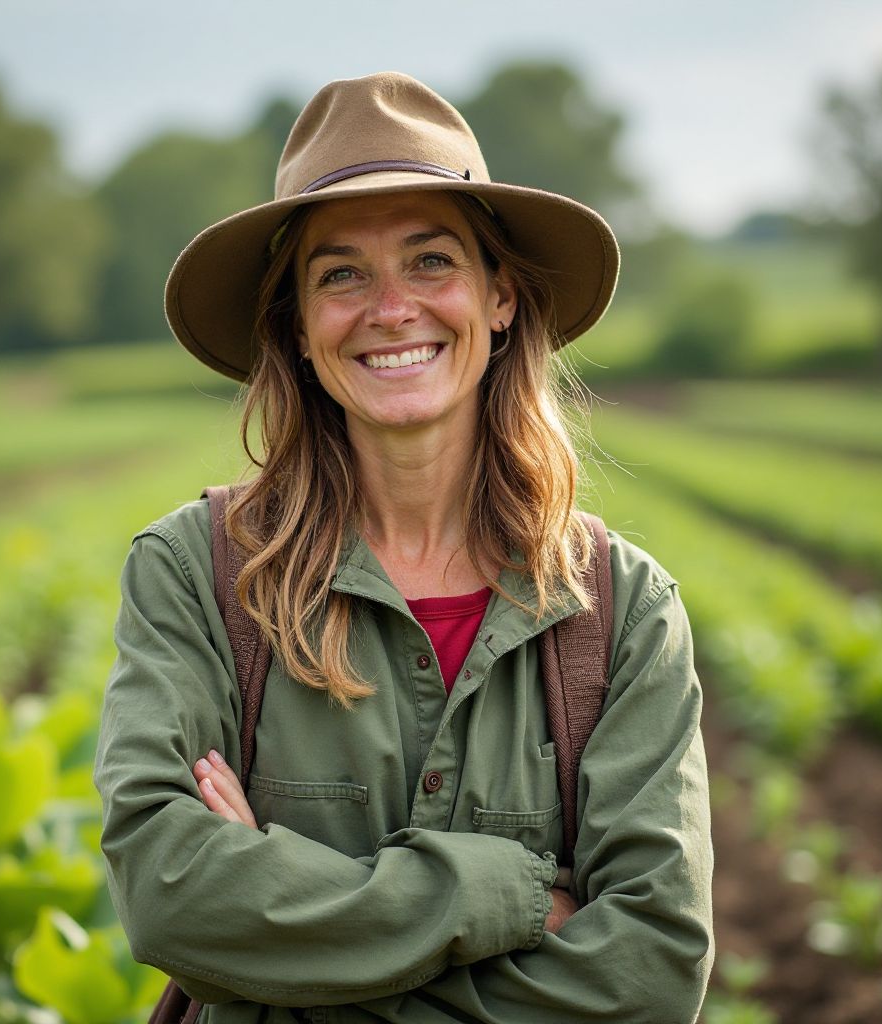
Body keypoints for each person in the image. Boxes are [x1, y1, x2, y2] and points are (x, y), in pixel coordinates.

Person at [95, 72, 714, 1023]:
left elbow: (652, 969)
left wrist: (293, 944)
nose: (391, 309)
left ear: (500, 297)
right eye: (341, 274)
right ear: (297, 327)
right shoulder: (196, 575)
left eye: (431, 261)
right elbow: (168, 891)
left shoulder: (622, 610)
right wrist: (510, 896)